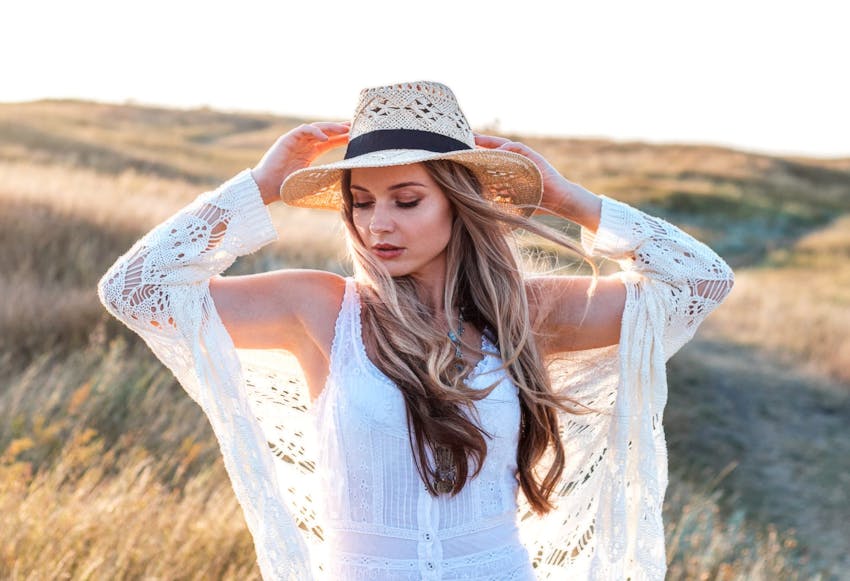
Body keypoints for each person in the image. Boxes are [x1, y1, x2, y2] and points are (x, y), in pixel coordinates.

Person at [98, 80, 734, 580]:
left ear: (460, 204)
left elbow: (700, 285)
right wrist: (259, 187)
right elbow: (135, 291)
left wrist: (566, 199)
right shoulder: (320, 310)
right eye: (361, 202)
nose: (379, 225)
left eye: (406, 200)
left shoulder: (527, 315)